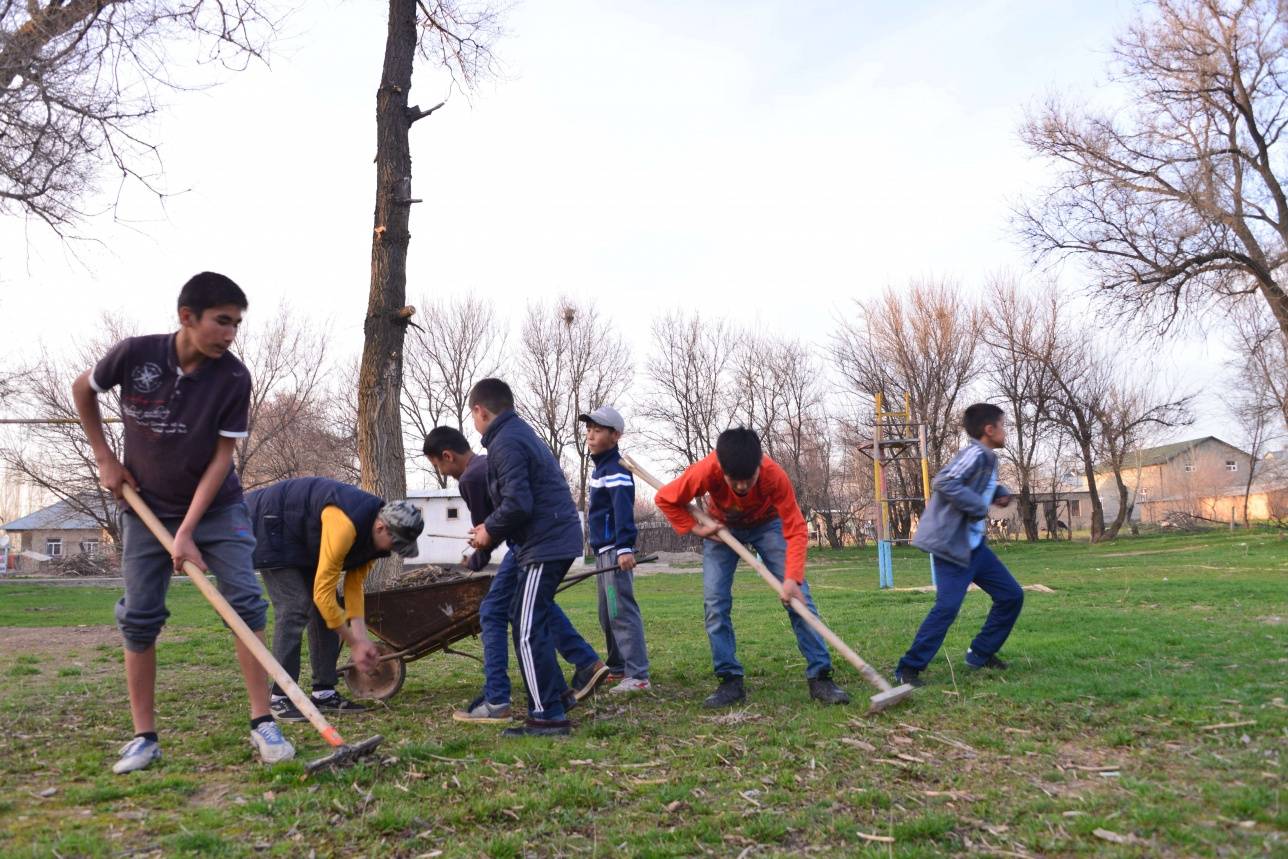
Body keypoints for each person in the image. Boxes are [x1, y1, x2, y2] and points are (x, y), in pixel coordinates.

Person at [71, 272, 293, 773]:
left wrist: (188, 531)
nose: (230, 333)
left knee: (246, 603)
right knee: (140, 617)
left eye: (236, 324)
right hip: (144, 505)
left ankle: (263, 721)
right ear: (187, 316)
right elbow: (82, 389)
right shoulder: (134, 355)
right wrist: (105, 457)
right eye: (222, 321)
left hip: (216, 508)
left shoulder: (233, 378)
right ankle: (144, 737)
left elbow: (221, 461)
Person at [424, 425, 611, 725]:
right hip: (533, 540)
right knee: (537, 605)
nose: (443, 472)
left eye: (438, 465)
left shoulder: (471, 478)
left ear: (447, 455)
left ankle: (498, 698)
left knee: (495, 611)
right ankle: (577, 671)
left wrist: (472, 561)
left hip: (529, 545)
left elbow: (489, 531)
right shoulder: (488, 462)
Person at [654, 427, 849, 708]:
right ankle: (729, 680)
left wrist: (792, 578)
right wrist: (697, 529)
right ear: (721, 468)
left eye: (749, 479)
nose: (742, 487)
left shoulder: (774, 475)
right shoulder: (706, 470)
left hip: (768, 525)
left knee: (799, 599)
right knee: (715, 603)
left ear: (759, 465)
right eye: (735, 480)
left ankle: (820, 676)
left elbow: (795, 529)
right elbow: (665, 498)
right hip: (721, 529)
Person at [466, 380, 608, 736]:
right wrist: (492, 529)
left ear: (480, 411)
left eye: (473, 415)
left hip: (545, 542)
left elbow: (518, 503)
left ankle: (546, 716)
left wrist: (488, 532)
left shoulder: (506, 442)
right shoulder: (514, 435)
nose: (474, 421)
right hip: (546, 539)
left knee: (526, 629)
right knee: (527, 617)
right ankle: (556, 696)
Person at [246, 477, 424, 721]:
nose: (395, 551)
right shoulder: (344, 526)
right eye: (396, 544)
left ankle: (324, 692)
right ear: (381, 528)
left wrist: (361, 638)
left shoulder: (376, 540)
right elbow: (321, 594)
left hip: (303, 538)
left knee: (327, 609)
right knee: (295, 607)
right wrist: (353, 642)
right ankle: (280, 696)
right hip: (272, 523)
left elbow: (353, 586)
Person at [895, 403, 1024, 688]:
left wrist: (998, 492)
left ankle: (980, 653)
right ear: (989, 430)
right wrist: (979, 505)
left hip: (975, 547)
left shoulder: (989, 457)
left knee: (1011, 596)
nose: (1005, 432)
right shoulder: (976, 453)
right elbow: (945, 481)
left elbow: (978, 485)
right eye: (1002, 426)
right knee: (947, 607)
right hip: (953, 547)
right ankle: (908, 668)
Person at [579, 406, 651, 693]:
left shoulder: (616, 470)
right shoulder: (601, 468)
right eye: (588, 430)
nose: (591, 436)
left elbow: (622, 511)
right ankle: (619, 666)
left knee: (620, 609)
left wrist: (624, 548)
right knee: (606, 612)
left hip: (614, 551)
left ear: (615, 435)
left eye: (597, 431)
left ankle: (638, 675)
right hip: (602, 551)